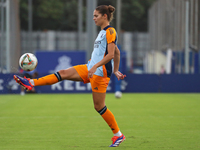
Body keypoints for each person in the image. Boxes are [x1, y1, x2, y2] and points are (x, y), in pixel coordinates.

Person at [13, 5, 126, 147]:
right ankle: (31, 83)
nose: (93, 18)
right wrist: (115, 70)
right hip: (90, 68)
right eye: (93, 15)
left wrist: (103, 68)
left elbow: (111, 54)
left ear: (105, 16)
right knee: (63, 73)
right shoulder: (102, 33)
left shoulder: (111, 31)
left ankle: (118, 135)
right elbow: (116, 53)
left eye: (96, 15)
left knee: (99, 106)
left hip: (100, 73)